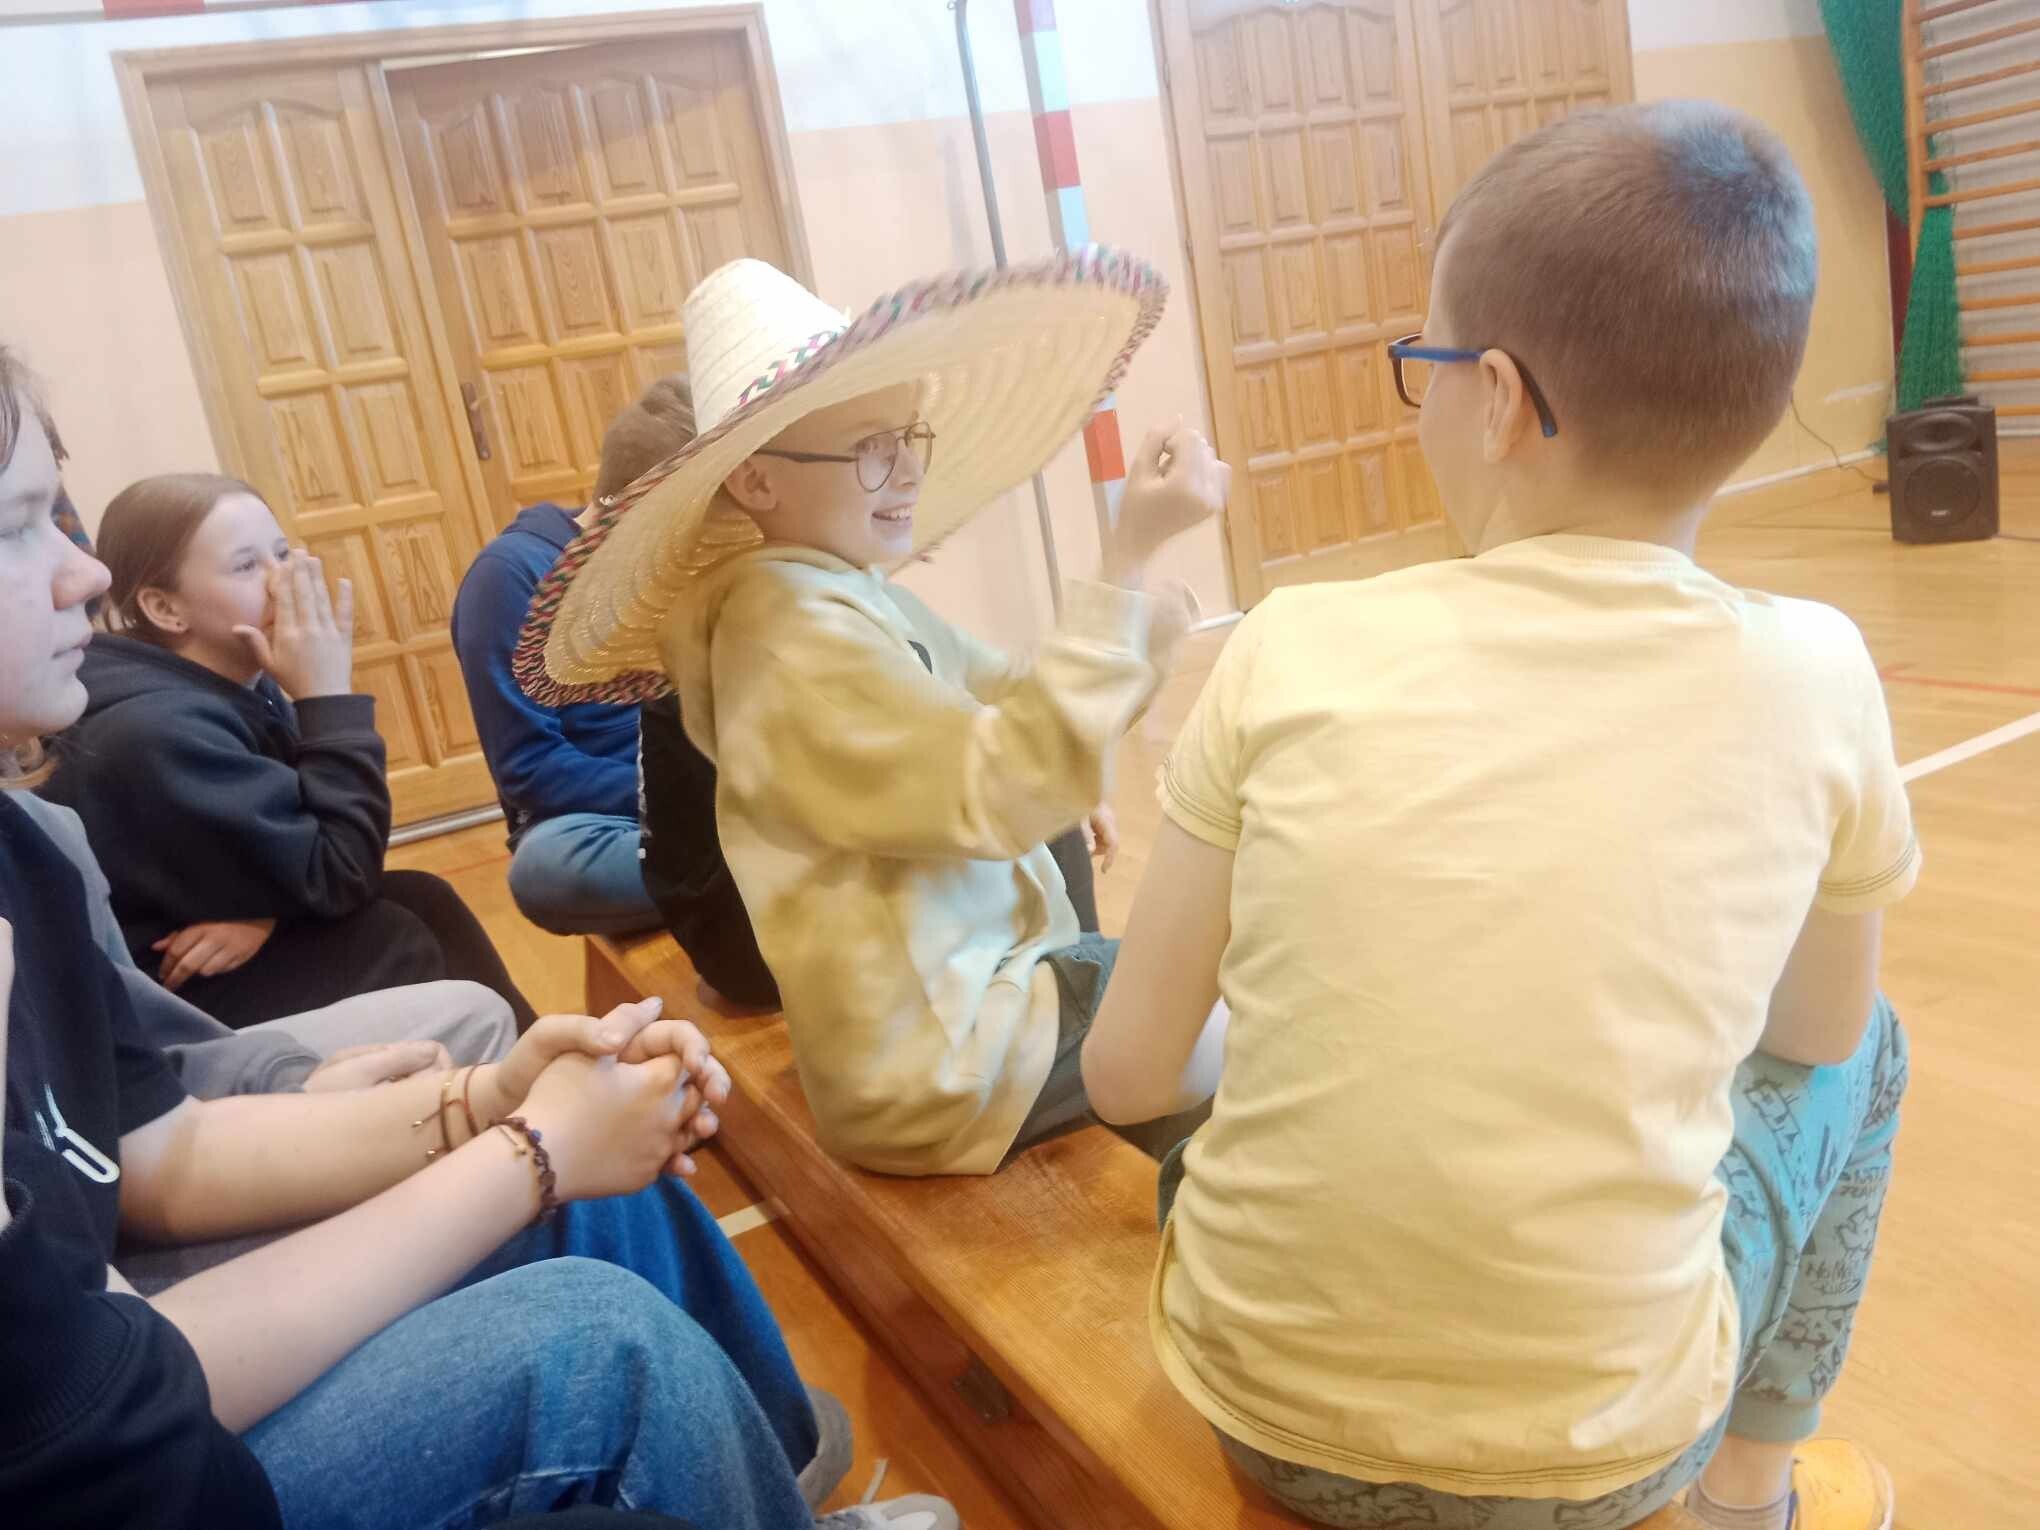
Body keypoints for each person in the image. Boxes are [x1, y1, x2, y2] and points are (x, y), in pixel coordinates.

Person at [1080, 103, 1916, 1530]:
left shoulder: (1288, 644)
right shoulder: (1820, 671)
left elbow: (1126, 1077)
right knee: (1878, 1043)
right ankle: (1748, 1492)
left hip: (1268, 1421)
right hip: (1610, 1461)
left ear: (1503, 398)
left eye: (1426, 364)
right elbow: (1819, 1036)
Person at [0, 344, 958, 1529]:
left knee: (525, 1061)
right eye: (21, 526)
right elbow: (111, 1406)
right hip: (156, 1468)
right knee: (598, 1335)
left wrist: (495, 1102)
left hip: (140, 1351)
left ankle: (779, 1485)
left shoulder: (24, 844)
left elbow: (158, 1150)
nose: (81, 570)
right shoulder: (489, 592)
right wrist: (528, 1152)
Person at [513, 252, 1224, 1177]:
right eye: (869, 448)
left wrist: (1133, 625)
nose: (907, 472)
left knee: (1185, 1015)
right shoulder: (785, 636)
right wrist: (1126, 560)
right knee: (1221, 1016)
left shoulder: (839, 592)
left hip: (983, 1003)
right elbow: (998, 785)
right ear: (756, 481)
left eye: (907, 438)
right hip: (946, 1059)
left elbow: (1005, 691)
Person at [41, 473, 537, 1031]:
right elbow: (340, 871)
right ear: (164, 608)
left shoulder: (233, 676)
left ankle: (550, 1062)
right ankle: (518, 1076)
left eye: (281, 554)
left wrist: (269, 911)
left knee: (425, 898)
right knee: (394, 940)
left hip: (212, 914)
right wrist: (327, 695)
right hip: (160, 996)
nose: (285, 580)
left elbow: (307, 846)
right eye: (246, 566)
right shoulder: (160, 731)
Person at [451, 381, 684, 939]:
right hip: (606, 817)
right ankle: (756, 870)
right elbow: (532, 770)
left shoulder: (689, 565)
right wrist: (687, 794)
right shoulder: (510, 575)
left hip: (715, 797)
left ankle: (745, 868)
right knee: (546, 871)